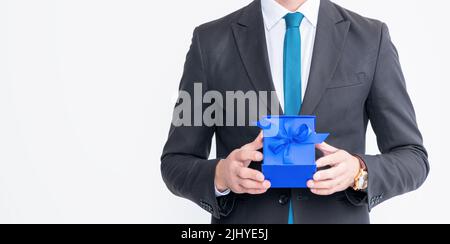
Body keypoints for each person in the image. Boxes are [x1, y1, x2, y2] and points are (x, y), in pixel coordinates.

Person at [161, 0, 429, 224]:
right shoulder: (209, 42)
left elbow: (413, 157)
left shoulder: (371, 39)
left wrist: (359, 171)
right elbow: (175, 161)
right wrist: (221, 175)